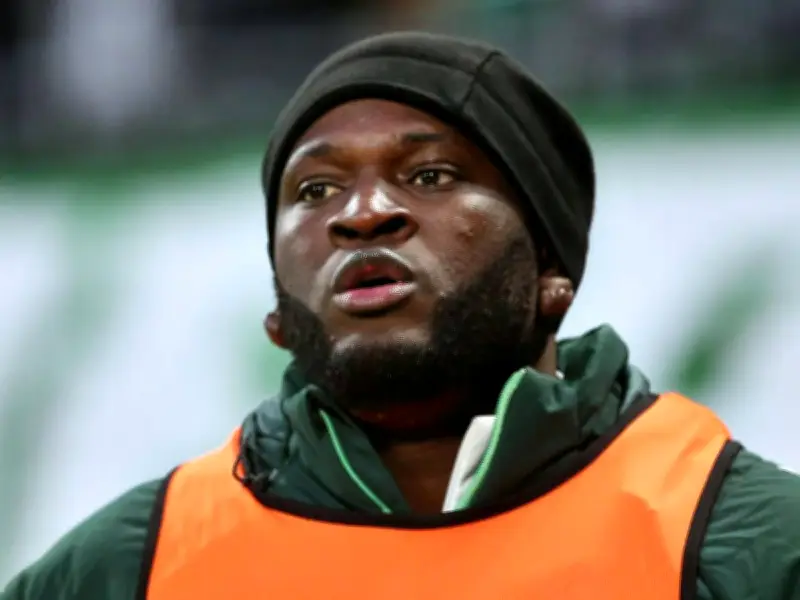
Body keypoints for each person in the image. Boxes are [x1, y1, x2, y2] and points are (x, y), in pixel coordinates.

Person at [3, 31, 800, 600]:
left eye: (430, 175)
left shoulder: (736, 538)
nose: (363, 213)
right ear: (277, 312)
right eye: (316, 190)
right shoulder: (131, 567)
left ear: (551, 271)